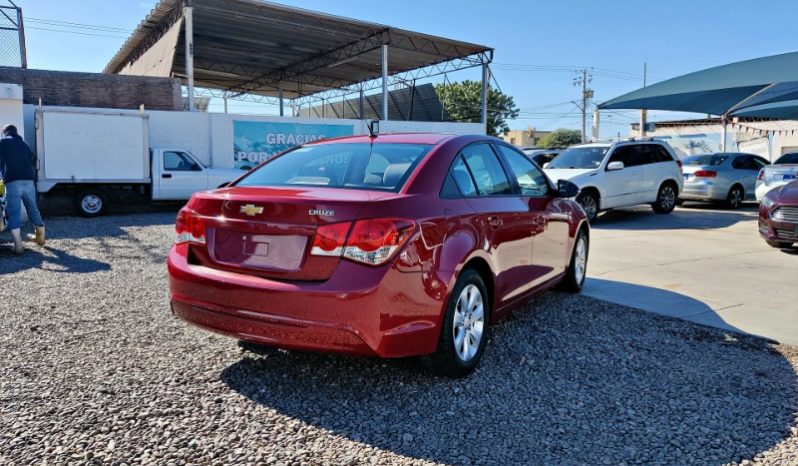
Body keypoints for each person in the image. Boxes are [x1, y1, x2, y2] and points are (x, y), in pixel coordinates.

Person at [0, 124, 45, 254]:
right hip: (29, 181)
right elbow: (30, 160)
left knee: (14, 212)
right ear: (16, 132)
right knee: (32, 208)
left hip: (13, 182)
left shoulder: (3, 142)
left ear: (5, 132)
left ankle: (18, 247)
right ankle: (40, 238)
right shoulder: (25, 144)